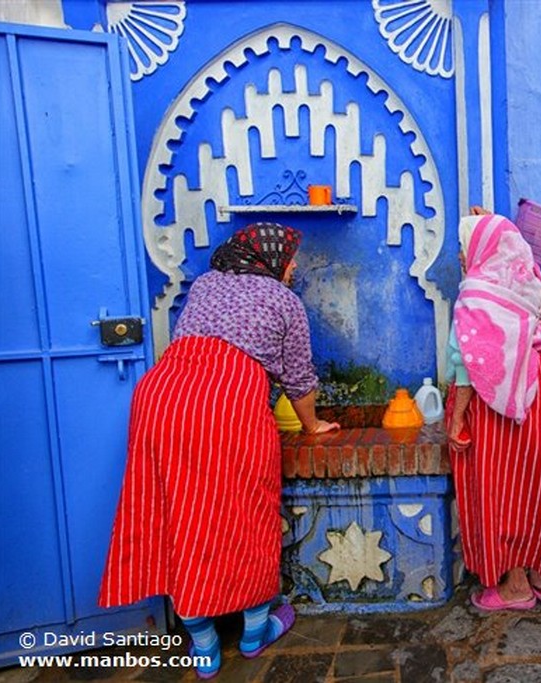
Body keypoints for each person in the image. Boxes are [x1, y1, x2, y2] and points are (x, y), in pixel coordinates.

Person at [98, 223, 339, 679]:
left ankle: (204, 645)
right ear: (272, 260)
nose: (293, 269)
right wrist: (313, 425)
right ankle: (254, 632)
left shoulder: (207, 283)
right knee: (245, 513)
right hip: (228, 402)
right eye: (290, 260)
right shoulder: (285, 301)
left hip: (162, 397)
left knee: (177, 515)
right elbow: (300, 379)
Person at [445, 207, 541, 612]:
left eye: (465, 245)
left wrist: (458, 417)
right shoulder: (526, 280)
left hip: (501, 401)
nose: (462, 255)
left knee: (505, 486)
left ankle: (514, 585)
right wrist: (494, 224)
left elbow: (466, 365)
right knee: (539, 481)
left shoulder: (477, 292)